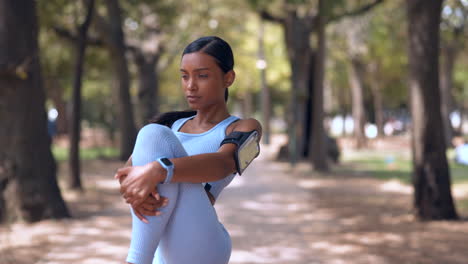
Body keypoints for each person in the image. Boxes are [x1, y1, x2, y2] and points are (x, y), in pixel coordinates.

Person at [114, 36, 262, 264]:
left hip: (201, 239)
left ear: (228, 78)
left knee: (154, 134)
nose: (190, 85)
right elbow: (129, 175)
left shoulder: (243, 127)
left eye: (202, 75)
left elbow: (223, 164)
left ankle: (136, 261)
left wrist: (161, 169)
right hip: (162, 240)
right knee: (152, 132)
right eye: (185, 76)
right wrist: (138, 196)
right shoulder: (169, 125)